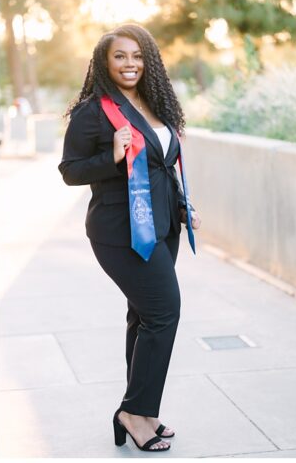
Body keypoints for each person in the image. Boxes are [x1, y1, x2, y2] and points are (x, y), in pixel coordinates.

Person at [58, 24, 201, 453]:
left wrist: (180, 204)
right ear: (105, 62)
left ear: (149, 61)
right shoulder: (94, 111)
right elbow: (70, 171)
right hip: (120, 231)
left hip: (162, 227)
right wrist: (112, 156)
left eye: (137, 56)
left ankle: (141, 411)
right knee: (164, 312)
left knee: (143, 316)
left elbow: (163, 164)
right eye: (120, 56)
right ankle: (132, 412)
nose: (130, 64)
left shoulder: (155, 104)